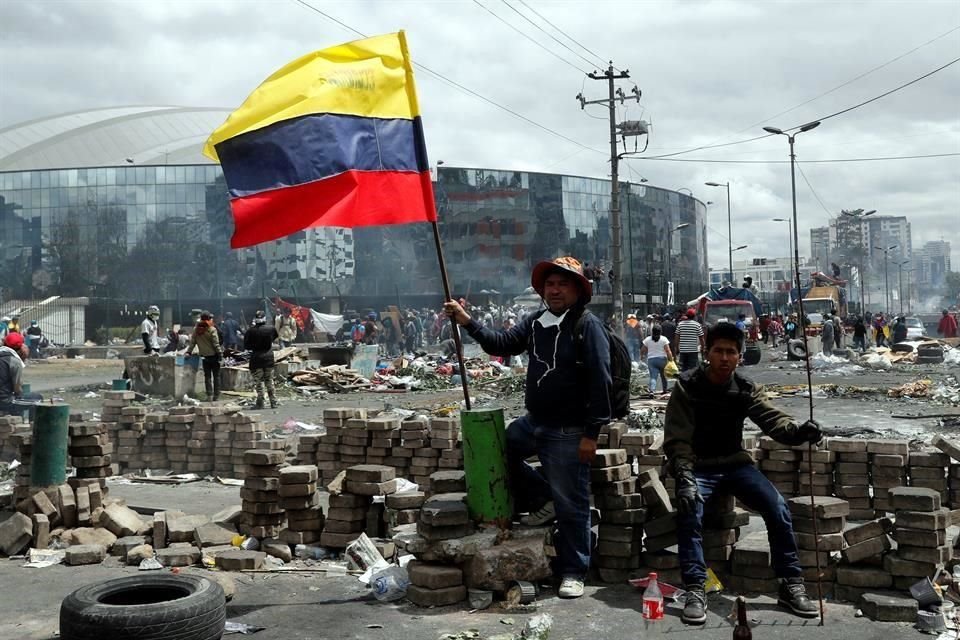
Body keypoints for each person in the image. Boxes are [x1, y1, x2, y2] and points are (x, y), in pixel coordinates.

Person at [443, 256, 611, 600]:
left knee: (572, 504)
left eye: (563, 283)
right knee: (498, 451)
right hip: (534, 422)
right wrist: (467, 322)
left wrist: (591, 434)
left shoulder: (586, 325)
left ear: (578, 289)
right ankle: (541, 495)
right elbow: (500, 345)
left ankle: (573, 571)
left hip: (568, 430)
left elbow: (601, 381)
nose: (555, 289)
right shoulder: (536, 322)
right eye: (550, 284)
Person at [664, 322, 823, 624]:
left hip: (735, 464)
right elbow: (677, 438)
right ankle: (696, 588)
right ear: (706, 352)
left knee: (777, 507)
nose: (725, 358)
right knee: (689, 513)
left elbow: (774, 420)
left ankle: (791, 584)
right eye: (719, 351)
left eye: (731, 352)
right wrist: (684, 477)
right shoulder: (687, 385)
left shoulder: (745, 388)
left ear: (739, 357)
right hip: (698, 466)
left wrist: (799, 431)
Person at [244, 311, 279, 409]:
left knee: (259, 382)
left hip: (256, 359)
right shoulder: (271, 329)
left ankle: (260, 402)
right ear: (264, 318)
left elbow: (246, 346)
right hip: (269, 358)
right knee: (269, 380)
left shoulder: (250, 331)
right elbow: (274, 338)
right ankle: (273, 402)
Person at [187, 311, 223, 401]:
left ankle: (209, 395)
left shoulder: (196, 329)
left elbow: (192, 343)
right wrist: (220, 354)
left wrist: (188, 352)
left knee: (207, 377)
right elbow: (216, 344)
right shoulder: (212, 329)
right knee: (216, 376)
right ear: (209, 318)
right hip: (214, 356)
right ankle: (216, 396)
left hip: (204, 357)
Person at [642, 325, 674, 394]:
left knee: (653, 377)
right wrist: (671, 360)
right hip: (662, 360)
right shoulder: (664, 339)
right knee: (663, 376)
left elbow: (642, 350)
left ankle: (652, 391)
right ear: (660, 331)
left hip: (651, 360)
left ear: (652, 331)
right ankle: (664, 390)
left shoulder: (647, 339)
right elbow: (668, 351)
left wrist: (642, 356)